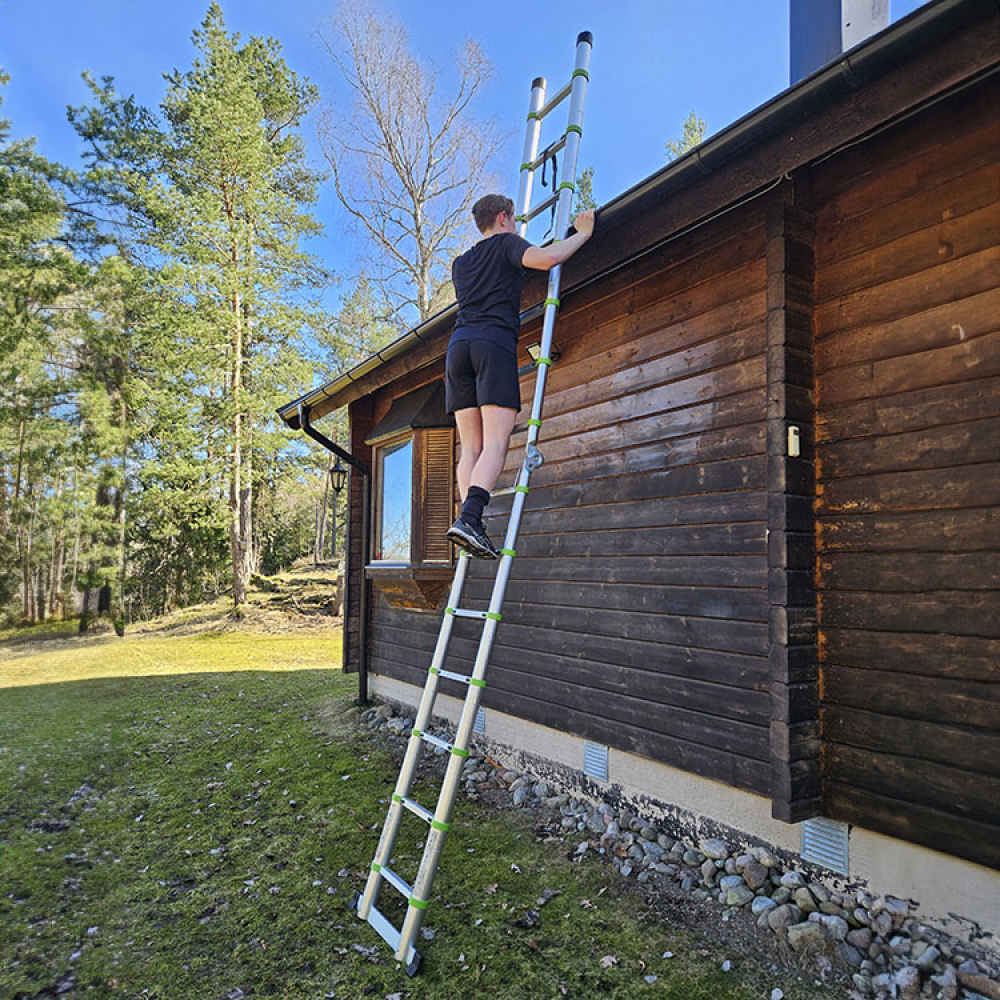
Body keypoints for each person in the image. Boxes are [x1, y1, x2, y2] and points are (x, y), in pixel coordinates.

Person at [445, 193, 595, 558]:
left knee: (472, 447)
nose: (516, 226)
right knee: (496, 442)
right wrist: (583, 233)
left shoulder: (461, 263)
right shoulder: (507, 244)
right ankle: (470, 518)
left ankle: (469, 521)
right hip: (491, 345)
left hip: (457, 350)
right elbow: (549, 259)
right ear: (502, 218)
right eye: (514, 220)